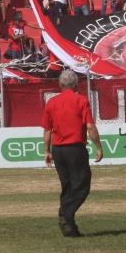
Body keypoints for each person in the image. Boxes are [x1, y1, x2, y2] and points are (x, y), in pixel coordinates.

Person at [42, 70, 103, 238]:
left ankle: (70, 228)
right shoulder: (81, 100)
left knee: (67, 186)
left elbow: (47, 130)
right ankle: (65, 213)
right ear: (76, 84)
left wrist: (46, 150)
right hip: (75, 148)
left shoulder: (51, 103)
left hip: (58, 150)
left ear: (60, 85)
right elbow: (90, 127)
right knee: (82, 186)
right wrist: (98, 147)